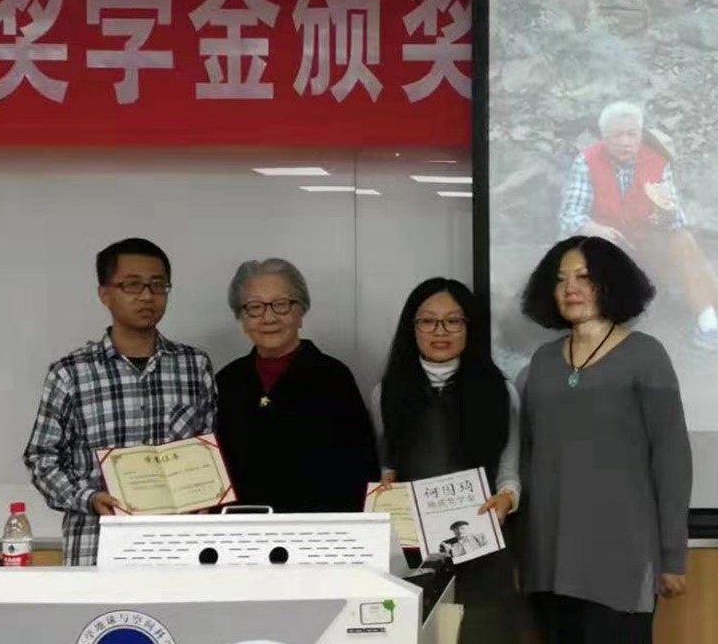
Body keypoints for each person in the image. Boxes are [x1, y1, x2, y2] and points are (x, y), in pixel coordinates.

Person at [519, 235, 693, 643]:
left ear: (611, 284)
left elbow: (671, 459)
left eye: (584, 276)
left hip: (622, 559)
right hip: (550, 561)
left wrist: (672, 557)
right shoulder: (542, 362)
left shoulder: (646, 355)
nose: (570, 288)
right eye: (560, 279)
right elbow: (527, 457)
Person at [23, 238, 216, 565]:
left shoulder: (194, 366)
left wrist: (207, 493)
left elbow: (208, 448)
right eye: (132, 285)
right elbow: (42, 457)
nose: (147, 296)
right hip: (97, 544)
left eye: (158, 285)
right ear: (105, 294)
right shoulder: (70, 372)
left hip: (179, 547)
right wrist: (88, 498)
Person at [371, 277, 521, 643]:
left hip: (482, 547)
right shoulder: (386, 393)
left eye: (453, 321)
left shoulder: (500, 391)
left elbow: (509, 471)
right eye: (428, 321)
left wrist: (507, 498)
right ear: (412, 328)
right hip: (413, 554)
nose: (440, 331)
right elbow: (387, 465)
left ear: (470, 327)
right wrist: (386, 484)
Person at [559, 100, 718, 357]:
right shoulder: (587, 162)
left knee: (682, 239)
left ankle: (708, 328)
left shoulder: (657, 163)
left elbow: (676, 219)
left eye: (632, 134)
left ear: (641, 134)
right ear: (604, 138)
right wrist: (592, 227)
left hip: (642, 247)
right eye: (617, 135)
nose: (625, 142)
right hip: (602, 250)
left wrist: (665, 214)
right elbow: (569, 215)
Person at [215, 258, 379, 513]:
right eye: (254, 307)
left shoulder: (334, 377)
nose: (268, 317)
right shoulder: (227, 380)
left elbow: (361, 469)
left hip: (316, 528)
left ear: (300, 313)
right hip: (239, 528)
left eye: (281, 304)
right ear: (242, 318)